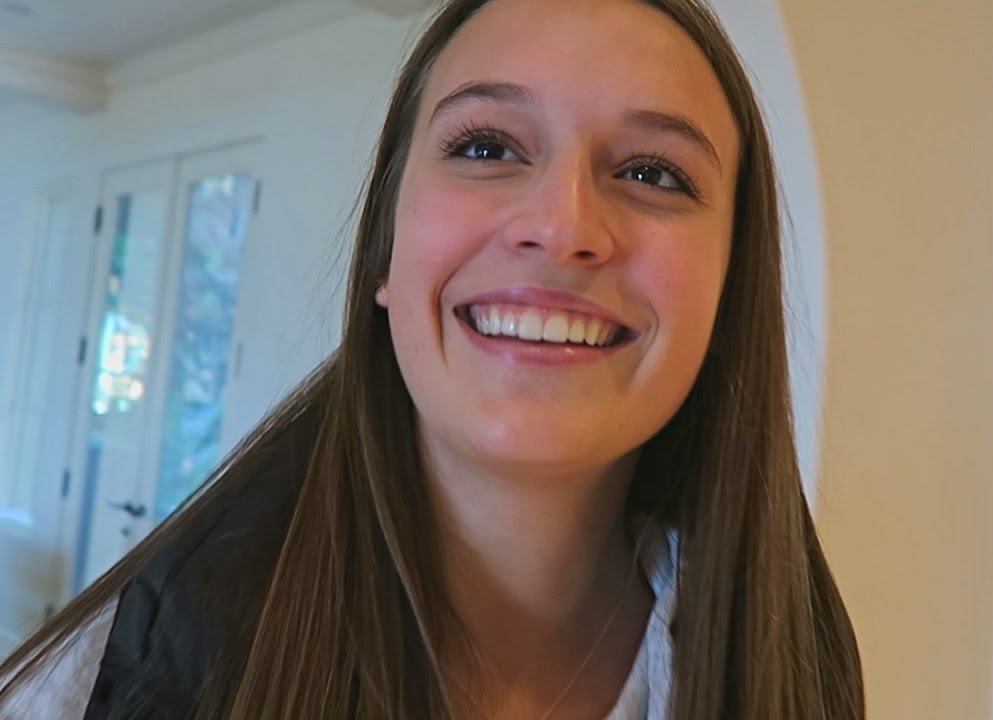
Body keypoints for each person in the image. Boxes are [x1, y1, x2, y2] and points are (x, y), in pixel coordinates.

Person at [0, 0, 865, 717]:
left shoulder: (798, 670)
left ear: (729, 291)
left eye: (653, 173)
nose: (561, 226)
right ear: (384, 252)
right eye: (487, 148)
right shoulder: (126, 671)